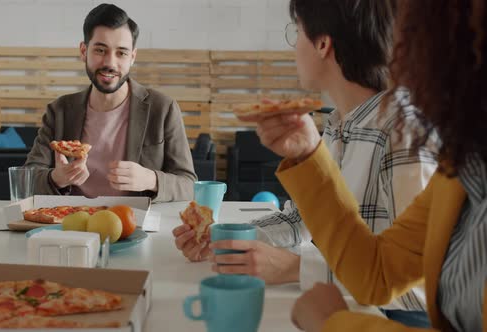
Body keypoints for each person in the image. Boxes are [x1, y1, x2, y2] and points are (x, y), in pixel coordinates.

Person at [172, 0, 437, 327]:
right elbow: (303, 220)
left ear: (323, 43)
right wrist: (224, 238)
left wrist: (295, 269)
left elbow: (423, 285)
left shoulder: (403, 132)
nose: (294, 45)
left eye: (296, 31)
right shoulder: (339, 124)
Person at [250, 0, 486, 330]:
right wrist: (306, 156)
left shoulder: (407, 130)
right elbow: (378, 271)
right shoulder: (462, 166)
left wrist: (332, 320)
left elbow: (409, 291)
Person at [25, 4, 196, 203]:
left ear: (132, 57)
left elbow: (189, 185)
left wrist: (151, 179)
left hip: (135, 225)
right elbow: (27, 178)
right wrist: (56, 178)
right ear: (83, 51)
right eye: (100, 50)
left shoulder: (163, 108)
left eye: (121, 53)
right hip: (71, 225)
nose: (110, 63)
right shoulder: (60, 110)